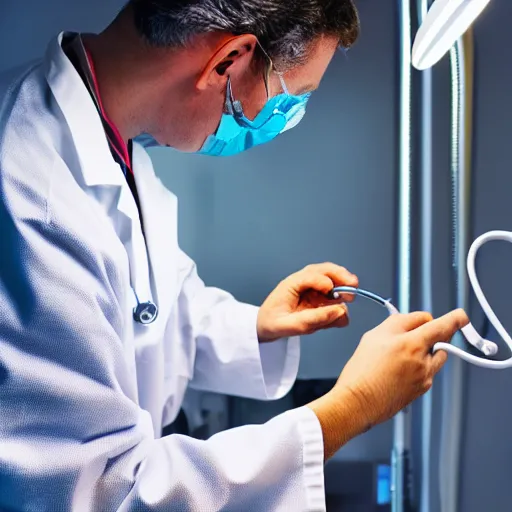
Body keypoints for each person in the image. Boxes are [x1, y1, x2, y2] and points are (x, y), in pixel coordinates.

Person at [0, 0, 468, 510]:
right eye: (290, 100)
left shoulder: (112, 141)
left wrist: (258, 327)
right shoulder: (34, 196)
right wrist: (350, 407)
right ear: (228, 61)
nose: (282, 121)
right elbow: (104, 493)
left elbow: (148, 316)